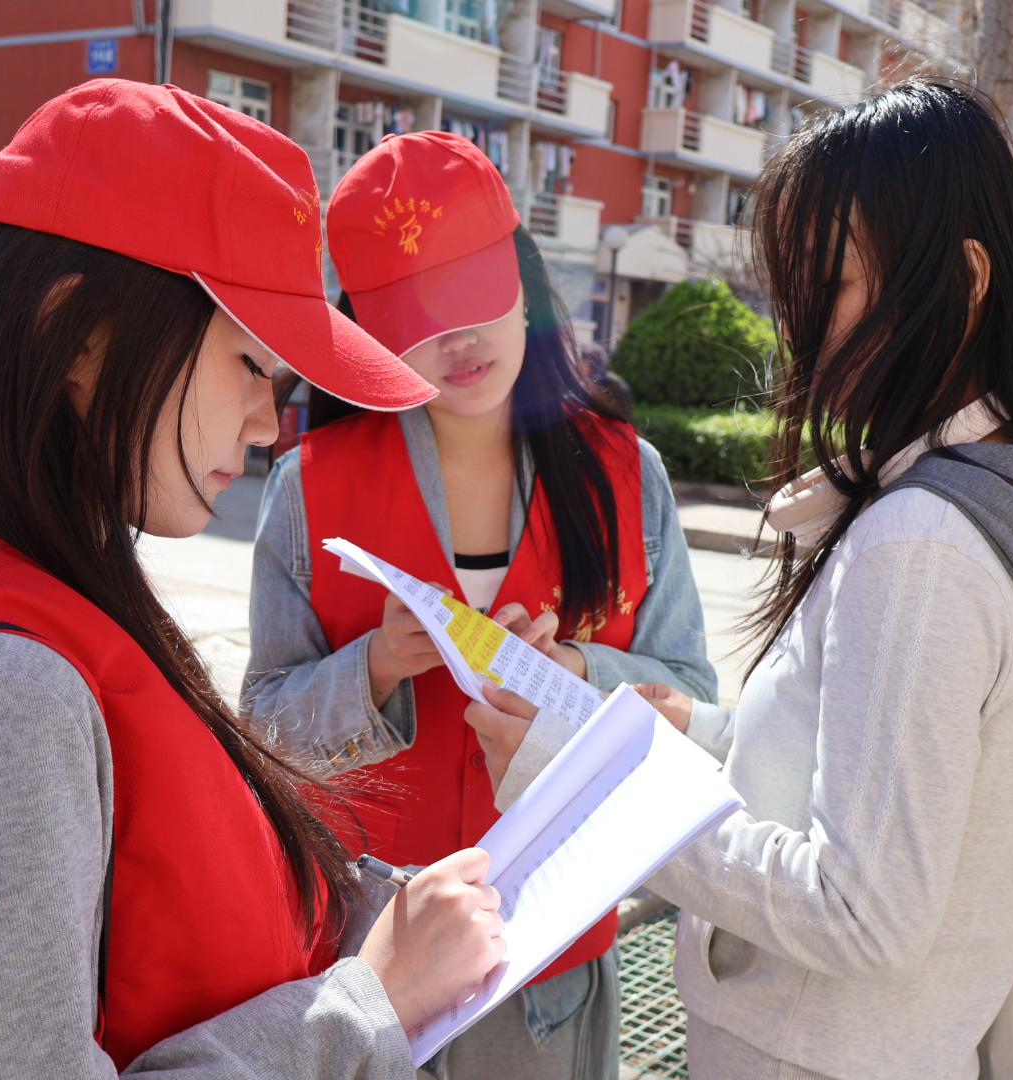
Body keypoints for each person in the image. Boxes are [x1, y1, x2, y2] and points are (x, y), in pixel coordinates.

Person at [0, 80, 507, 1080]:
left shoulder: (33, 603)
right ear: (81, 337)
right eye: (250, 364)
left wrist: (389, 919)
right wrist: (367, 1002)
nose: (267, 425)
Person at [466, 79, 1013, 1079]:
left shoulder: (920, 545)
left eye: (830, 282)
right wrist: (707, 735)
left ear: (965, 279)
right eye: (791, 286)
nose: (798, 325)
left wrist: (591, 789)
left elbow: (862, 911)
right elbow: (891, 781)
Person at [242, 131, 716, 1080]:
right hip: (371, 963)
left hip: (548, 968)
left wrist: (576, 672)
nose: (459, 341)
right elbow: (260, 732)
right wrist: (376, 668)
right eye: (420, 317)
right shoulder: (310, 488)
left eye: (473, 297)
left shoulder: (627, 476)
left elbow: (693, 701)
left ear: (524, 283)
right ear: (371, 332)